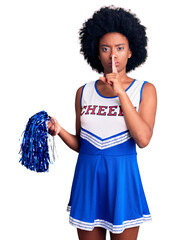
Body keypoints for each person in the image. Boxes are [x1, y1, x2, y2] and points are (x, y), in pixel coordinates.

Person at [48, 6, 157, 240]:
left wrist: (121, 93)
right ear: (96, 53)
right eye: (105, 49)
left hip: (123, 180)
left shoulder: (144, 90)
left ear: (130, 51)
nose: (113, 56)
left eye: (120, 48)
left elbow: (143, 139)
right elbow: (82, 144)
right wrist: (60, 131)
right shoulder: (83, 92)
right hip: (87, 179)